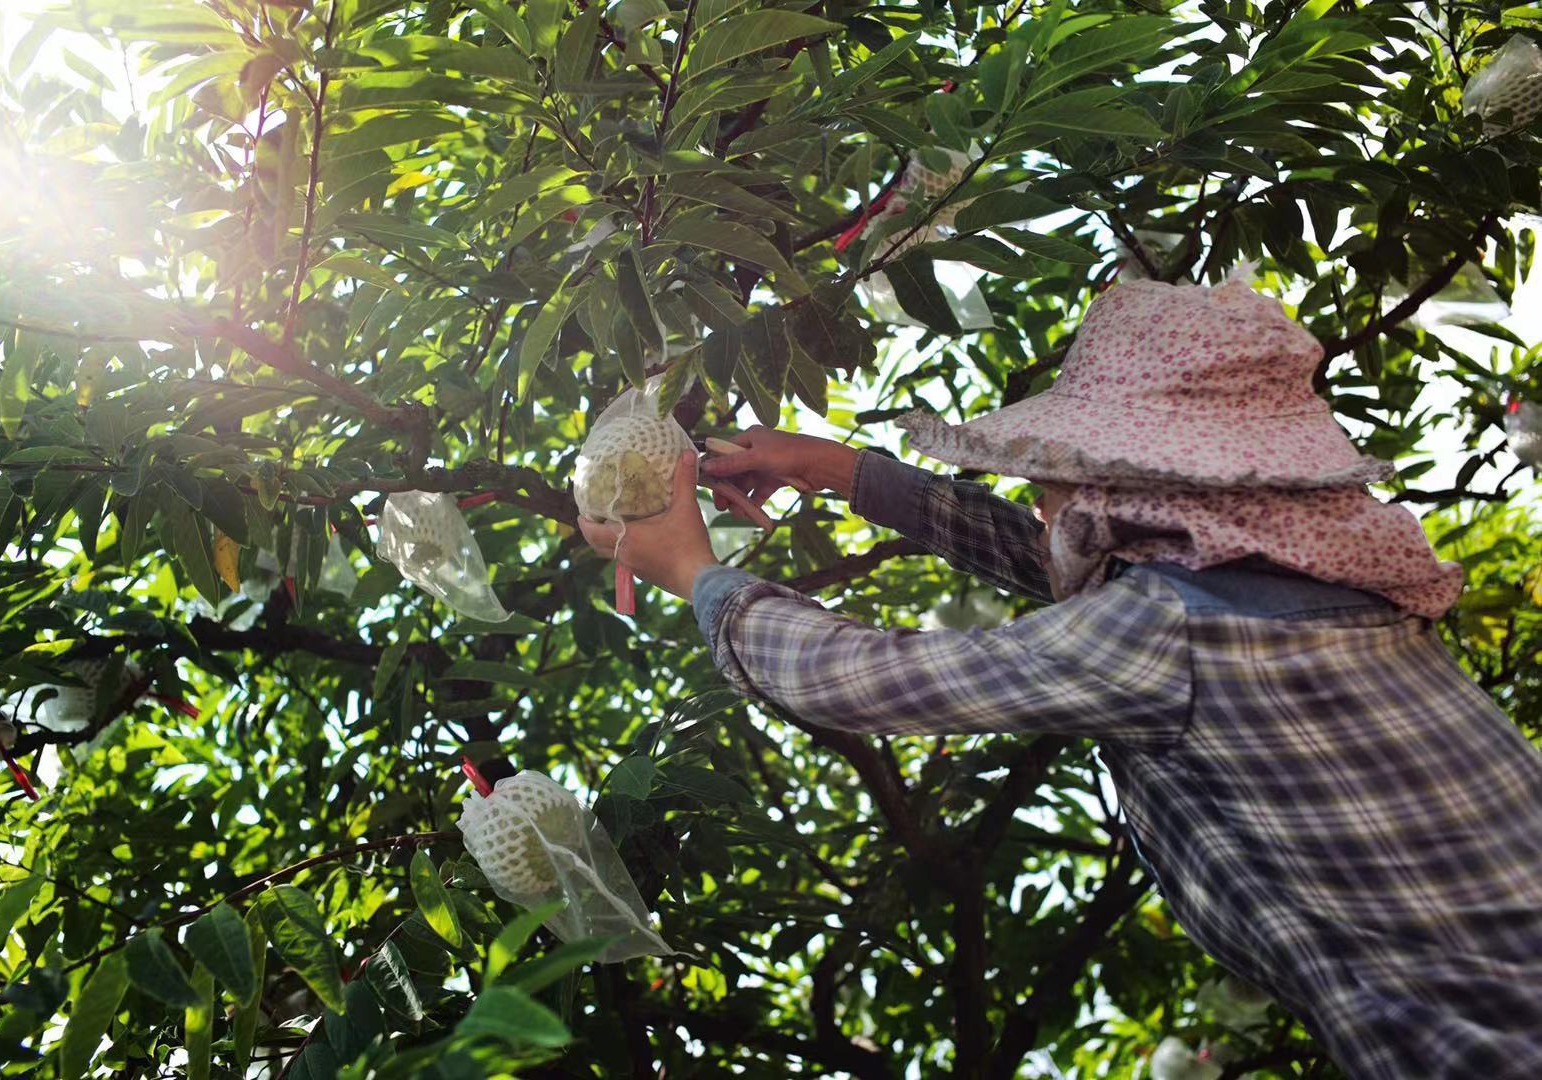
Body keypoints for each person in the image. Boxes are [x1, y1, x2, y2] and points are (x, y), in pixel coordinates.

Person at [578, 278, 1542, 1079]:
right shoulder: (1319, 585)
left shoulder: (1166, 635)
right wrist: (846, 472)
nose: (1039, 491)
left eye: (1055, 468)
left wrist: (693, 574)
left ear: (1126, 481)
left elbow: (856, 677)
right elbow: (1072, 568)